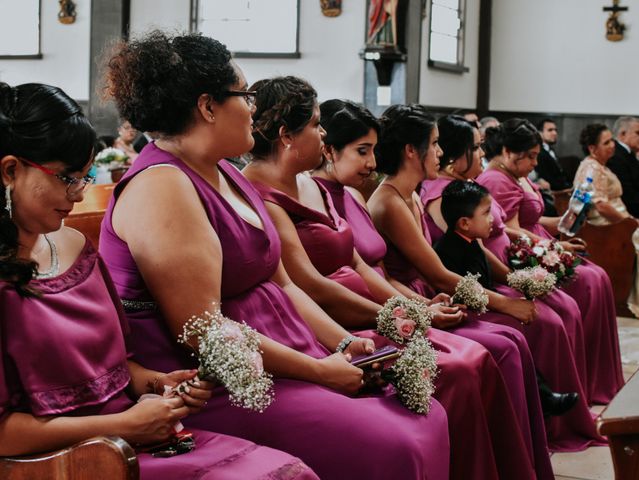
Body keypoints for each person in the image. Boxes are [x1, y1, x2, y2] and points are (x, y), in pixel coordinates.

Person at [99, 32, 450, 480]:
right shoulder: (162, 185)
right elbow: (202, 331)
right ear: (208, 107)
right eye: (244, 95)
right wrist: (320, 372)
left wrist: (340, 343)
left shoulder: (227, 170)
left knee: (426, 413)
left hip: (287, 352)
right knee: (397, 440)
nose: (253, 108)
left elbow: (283, 283)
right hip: (221, 386)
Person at [0, 81, 319, 480]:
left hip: (135, 437)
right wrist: (121, 426)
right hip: (65, 461)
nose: (79, 196)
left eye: (84, 178)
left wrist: (158, 383)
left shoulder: (76, 247)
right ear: (11, 170)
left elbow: (115, 367)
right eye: (68, 179)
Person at [244, 87, 544, 479]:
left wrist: (410, 310)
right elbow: (310, 285)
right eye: (317, 125)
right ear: (287, 135)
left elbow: (362, 264)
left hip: (373, 306)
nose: (323, 135)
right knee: (460, 365)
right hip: (335, 318)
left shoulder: (317, 186)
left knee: (476, 356)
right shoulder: (264, 195)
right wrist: (400, 315)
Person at [420, 115, 605, 450]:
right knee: (545, 322)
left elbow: (479, 244)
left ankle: (565, 408)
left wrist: (519, 277)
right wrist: (507, 295)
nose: (482, 153)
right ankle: (545, 417)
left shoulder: (467, 189)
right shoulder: (443, 196)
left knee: (561, 306)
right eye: (475, 147)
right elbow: (454, 259)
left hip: (485, 276)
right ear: (455, 152)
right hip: (460, 288)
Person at [477, 118, 624, 405]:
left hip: (538, 242)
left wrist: (563, 221)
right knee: (589, 284)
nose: (536, 162)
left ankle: (594, 381)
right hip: (521, 253)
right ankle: (584, 385)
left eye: (536, 155)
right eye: (531, 156)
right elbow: (508, 229)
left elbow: (531, 220)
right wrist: (551, 245)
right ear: (508, 152)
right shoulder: (495, 179)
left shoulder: (517, 175)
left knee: (599, 277)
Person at [575, 123, 639, 317]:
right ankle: (632, 301)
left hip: (615, 223)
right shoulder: (591, 168)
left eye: (612, 140)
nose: (612, 145)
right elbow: (600, 205)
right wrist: (629, 221)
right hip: (605, 226)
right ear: (592, 148)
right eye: (606, 142)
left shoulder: (599, 166)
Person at [607, 116, 639, 218]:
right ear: (623, 134)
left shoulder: (628, 153)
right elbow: (627, 195)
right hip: (627, 214)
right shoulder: (616, 156)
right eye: (638, 133)